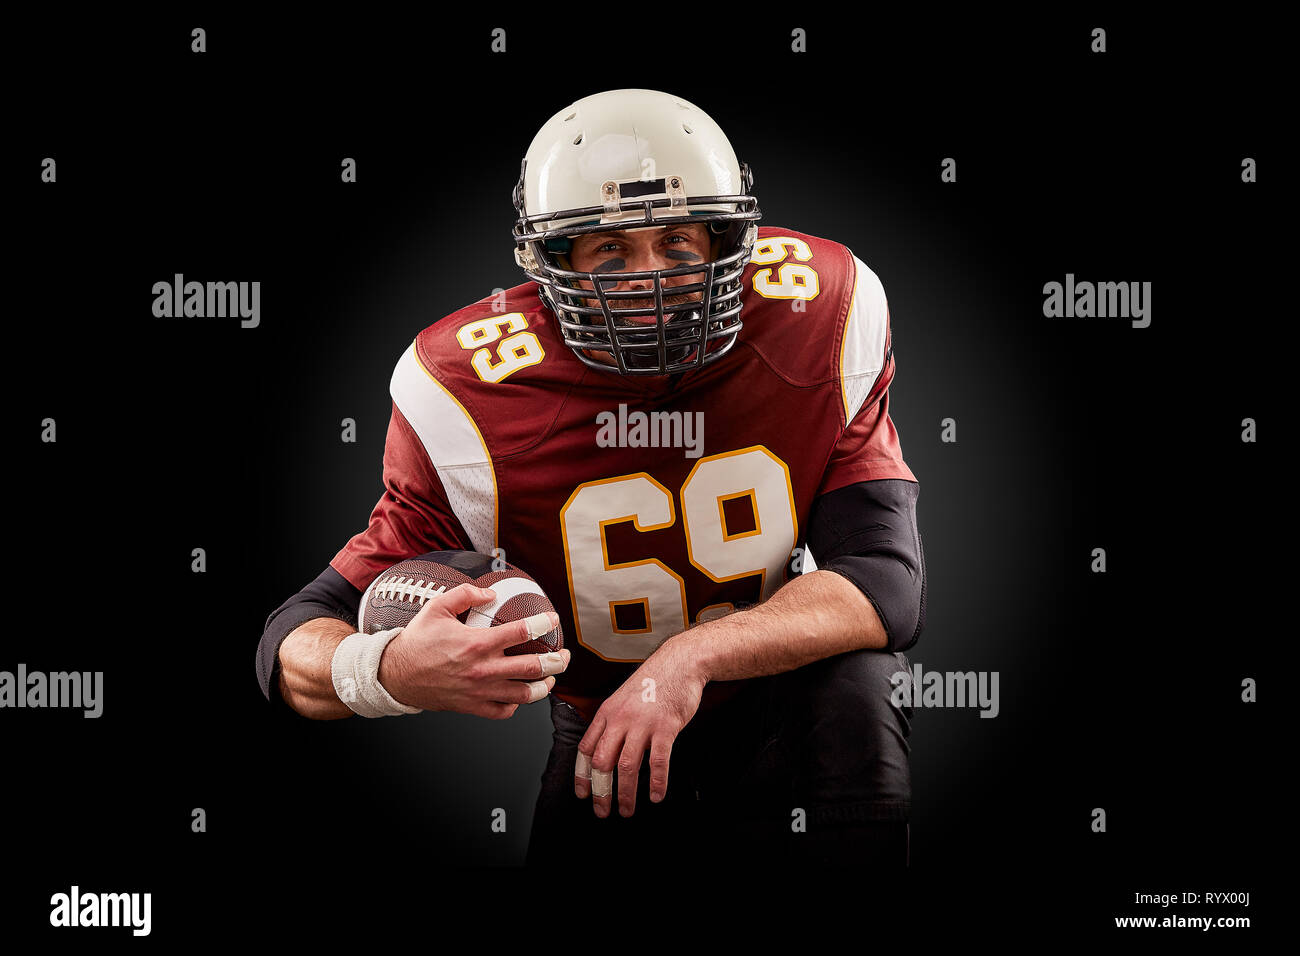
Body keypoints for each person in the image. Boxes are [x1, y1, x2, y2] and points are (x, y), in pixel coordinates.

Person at [256, 88, 926, 865]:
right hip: (609, 729)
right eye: (609, 249)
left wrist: (688, 659)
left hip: (791, 702)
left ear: (726, 239)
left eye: (678, 241)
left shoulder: (819, 309)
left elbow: (884, 583)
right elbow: (292, 639)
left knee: (860, 688)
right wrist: (390, 671)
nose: (650, 279)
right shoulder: (467, 390)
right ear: (550, 260)